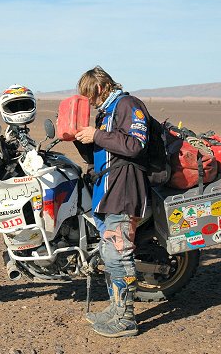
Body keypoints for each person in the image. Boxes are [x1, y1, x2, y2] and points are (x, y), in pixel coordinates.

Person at [73, 66, 151, 338]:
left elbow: (136, 144)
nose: (86, 100)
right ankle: (115, 309)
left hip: (125, 190)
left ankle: (126, 319)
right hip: (107, 191)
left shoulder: (129, 104)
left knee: (119, 254)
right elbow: (98, 154)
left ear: (98, 88)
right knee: (110, 254)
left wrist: (96, 135)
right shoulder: (105, 113)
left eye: (87, 94)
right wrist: (81, 138)